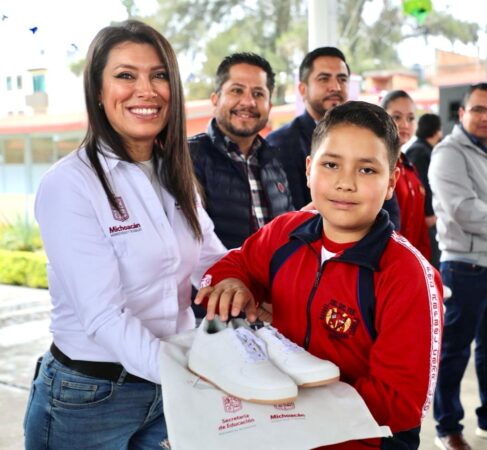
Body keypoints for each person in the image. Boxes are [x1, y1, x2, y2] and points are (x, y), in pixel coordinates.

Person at [23, 20, 226, 450]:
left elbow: (211, 262)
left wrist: (245, 284)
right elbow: (103, 315)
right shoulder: (70, 185)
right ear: (98, 91)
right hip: (90, 398)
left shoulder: (176, 176)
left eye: (158, 75)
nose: (146, 90)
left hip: (167, 386)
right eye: (125, 76)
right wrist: (186, 374)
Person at [196, 101, 443, 450]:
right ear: (309, 169)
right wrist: (232, 282)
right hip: (279, 432)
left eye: (367, 170)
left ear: (392, 182)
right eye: (331, 165)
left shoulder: (407, 275)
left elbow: (400, 403)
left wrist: (290, 406)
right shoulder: (286, 231)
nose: (345, 183)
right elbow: (237, 262)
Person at [429, 82, 487, 450]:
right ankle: (447, 426)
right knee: (454, 352)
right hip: (464, 267)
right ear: (462, 113)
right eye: (478, 109)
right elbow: (465, 211)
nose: (484, 118)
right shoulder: (448, 153)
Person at [189, 52, 293, 250]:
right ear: (215, 99)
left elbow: (287, 228)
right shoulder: (188, 157)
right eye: (237, 91)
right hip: (218, 279)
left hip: (274, 279)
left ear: (269, 106)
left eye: (258, 94)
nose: (248, 102)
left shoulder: (275, 160)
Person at [266, 47, 350, 210]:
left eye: (342, 79)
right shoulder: (280, 143)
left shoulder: (364, 139)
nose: (336, 87)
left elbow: (387, 206)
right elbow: (289, 213)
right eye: (324, 78)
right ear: (303, 90)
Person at [381, 90, 431, 260]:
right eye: (396, 117)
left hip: (413, 261)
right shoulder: (374, 166)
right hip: (386, 262)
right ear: (382, 117)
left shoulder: (409, 168)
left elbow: (420, 226)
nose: (405, 124)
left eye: (410, 118)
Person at [406, 113, 442, 268]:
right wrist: (429, 213)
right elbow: (423, 186)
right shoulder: (420, 152)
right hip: (424, 219)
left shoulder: (421, 149)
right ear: (437, 131)